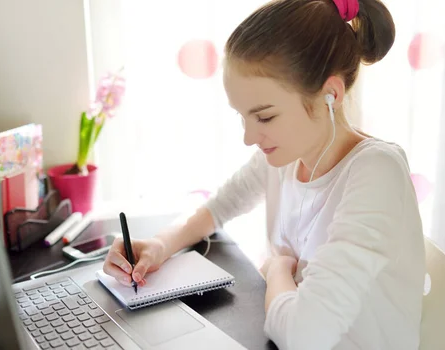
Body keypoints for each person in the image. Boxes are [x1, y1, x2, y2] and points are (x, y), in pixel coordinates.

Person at [103, 0, 426, 348]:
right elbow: (221, 206)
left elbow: (306, 336)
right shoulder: (291, 155)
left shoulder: (376, 172)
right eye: (243, 117)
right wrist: (160, 245)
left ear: (330, 95)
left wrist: (275, 271)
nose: (248, 138)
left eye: (265, 117)